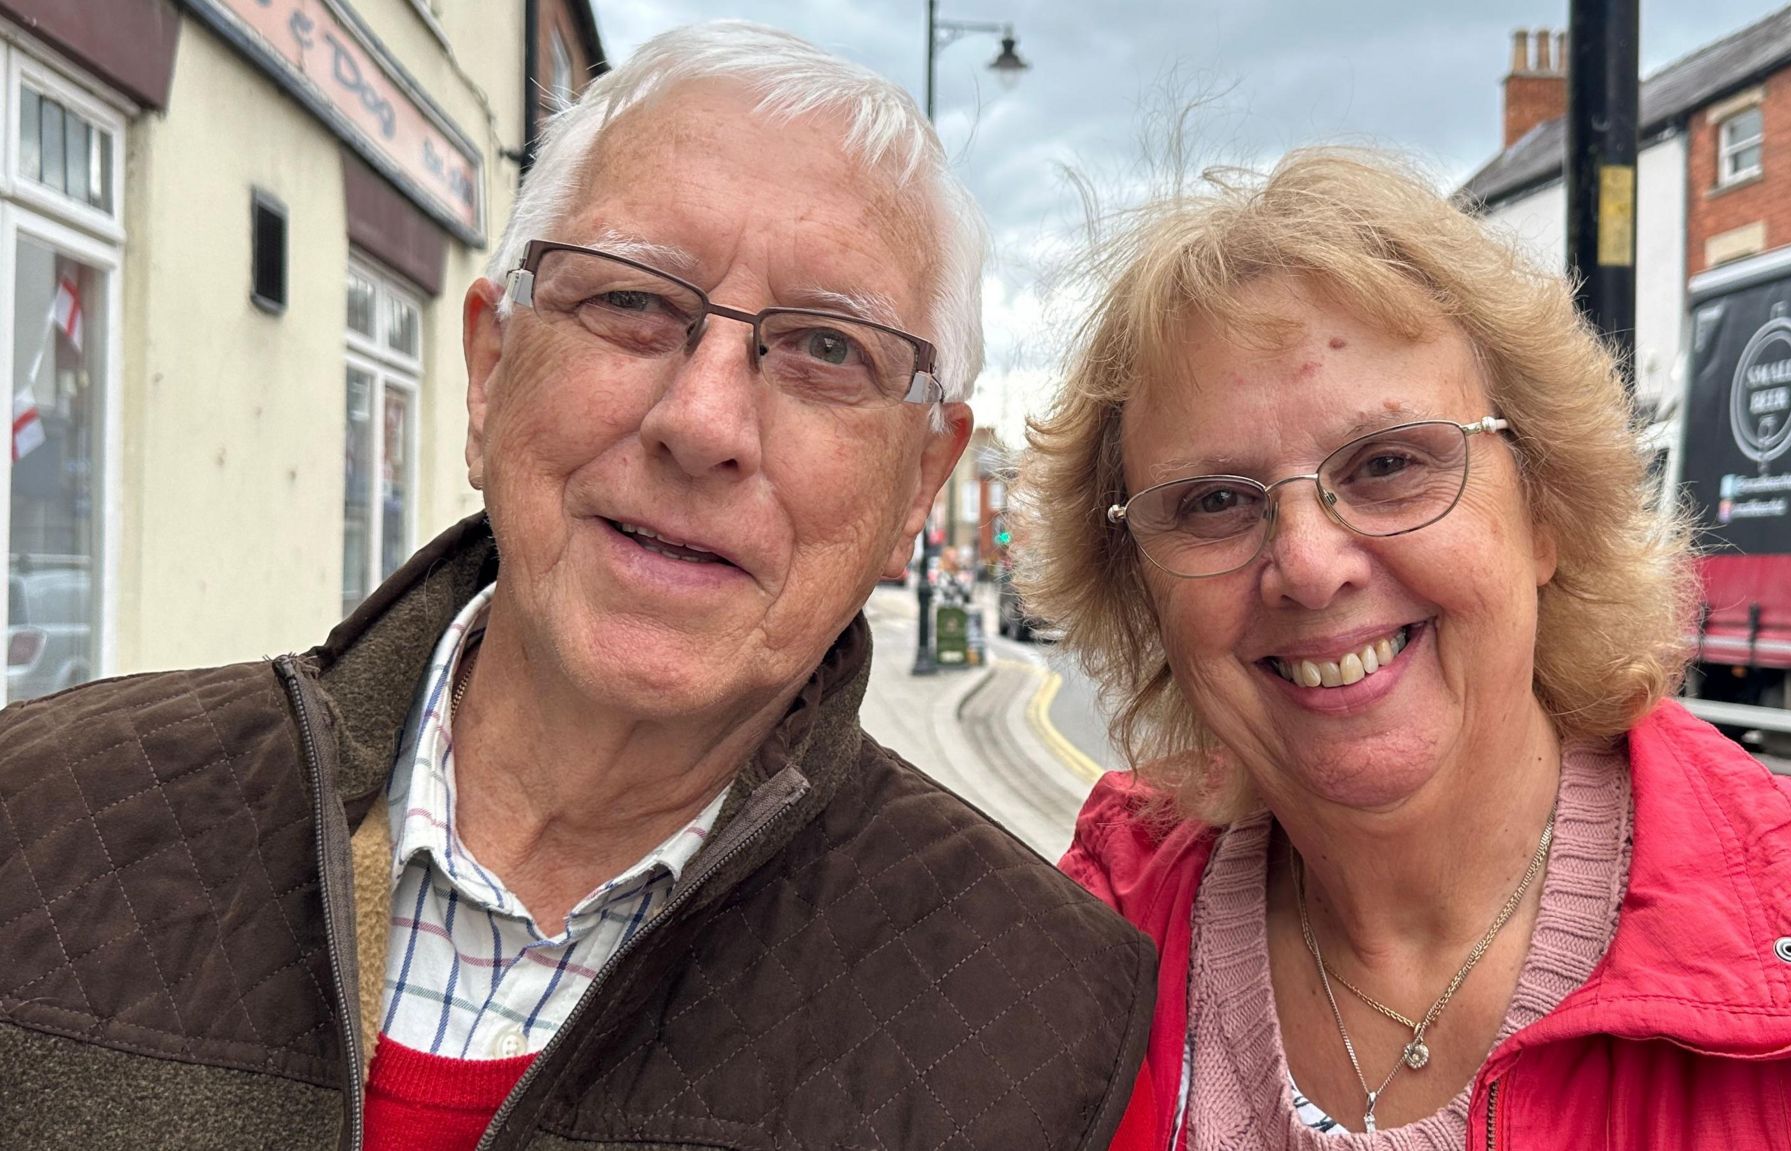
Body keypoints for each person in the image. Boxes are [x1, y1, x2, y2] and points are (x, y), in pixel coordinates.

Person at [0, 23, 1152, 1150]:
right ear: (491, 370)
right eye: (631, 300)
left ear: (919, 482)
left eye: (827, 349)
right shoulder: (40, 815)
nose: (702, 422)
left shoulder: (1043, 1023)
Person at [1021, 148, 1791, 1149]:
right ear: (1141, 588)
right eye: (1211, 501)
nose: (1307, 562)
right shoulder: (1088, 940)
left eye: (1388, 462)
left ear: (1544, 509)